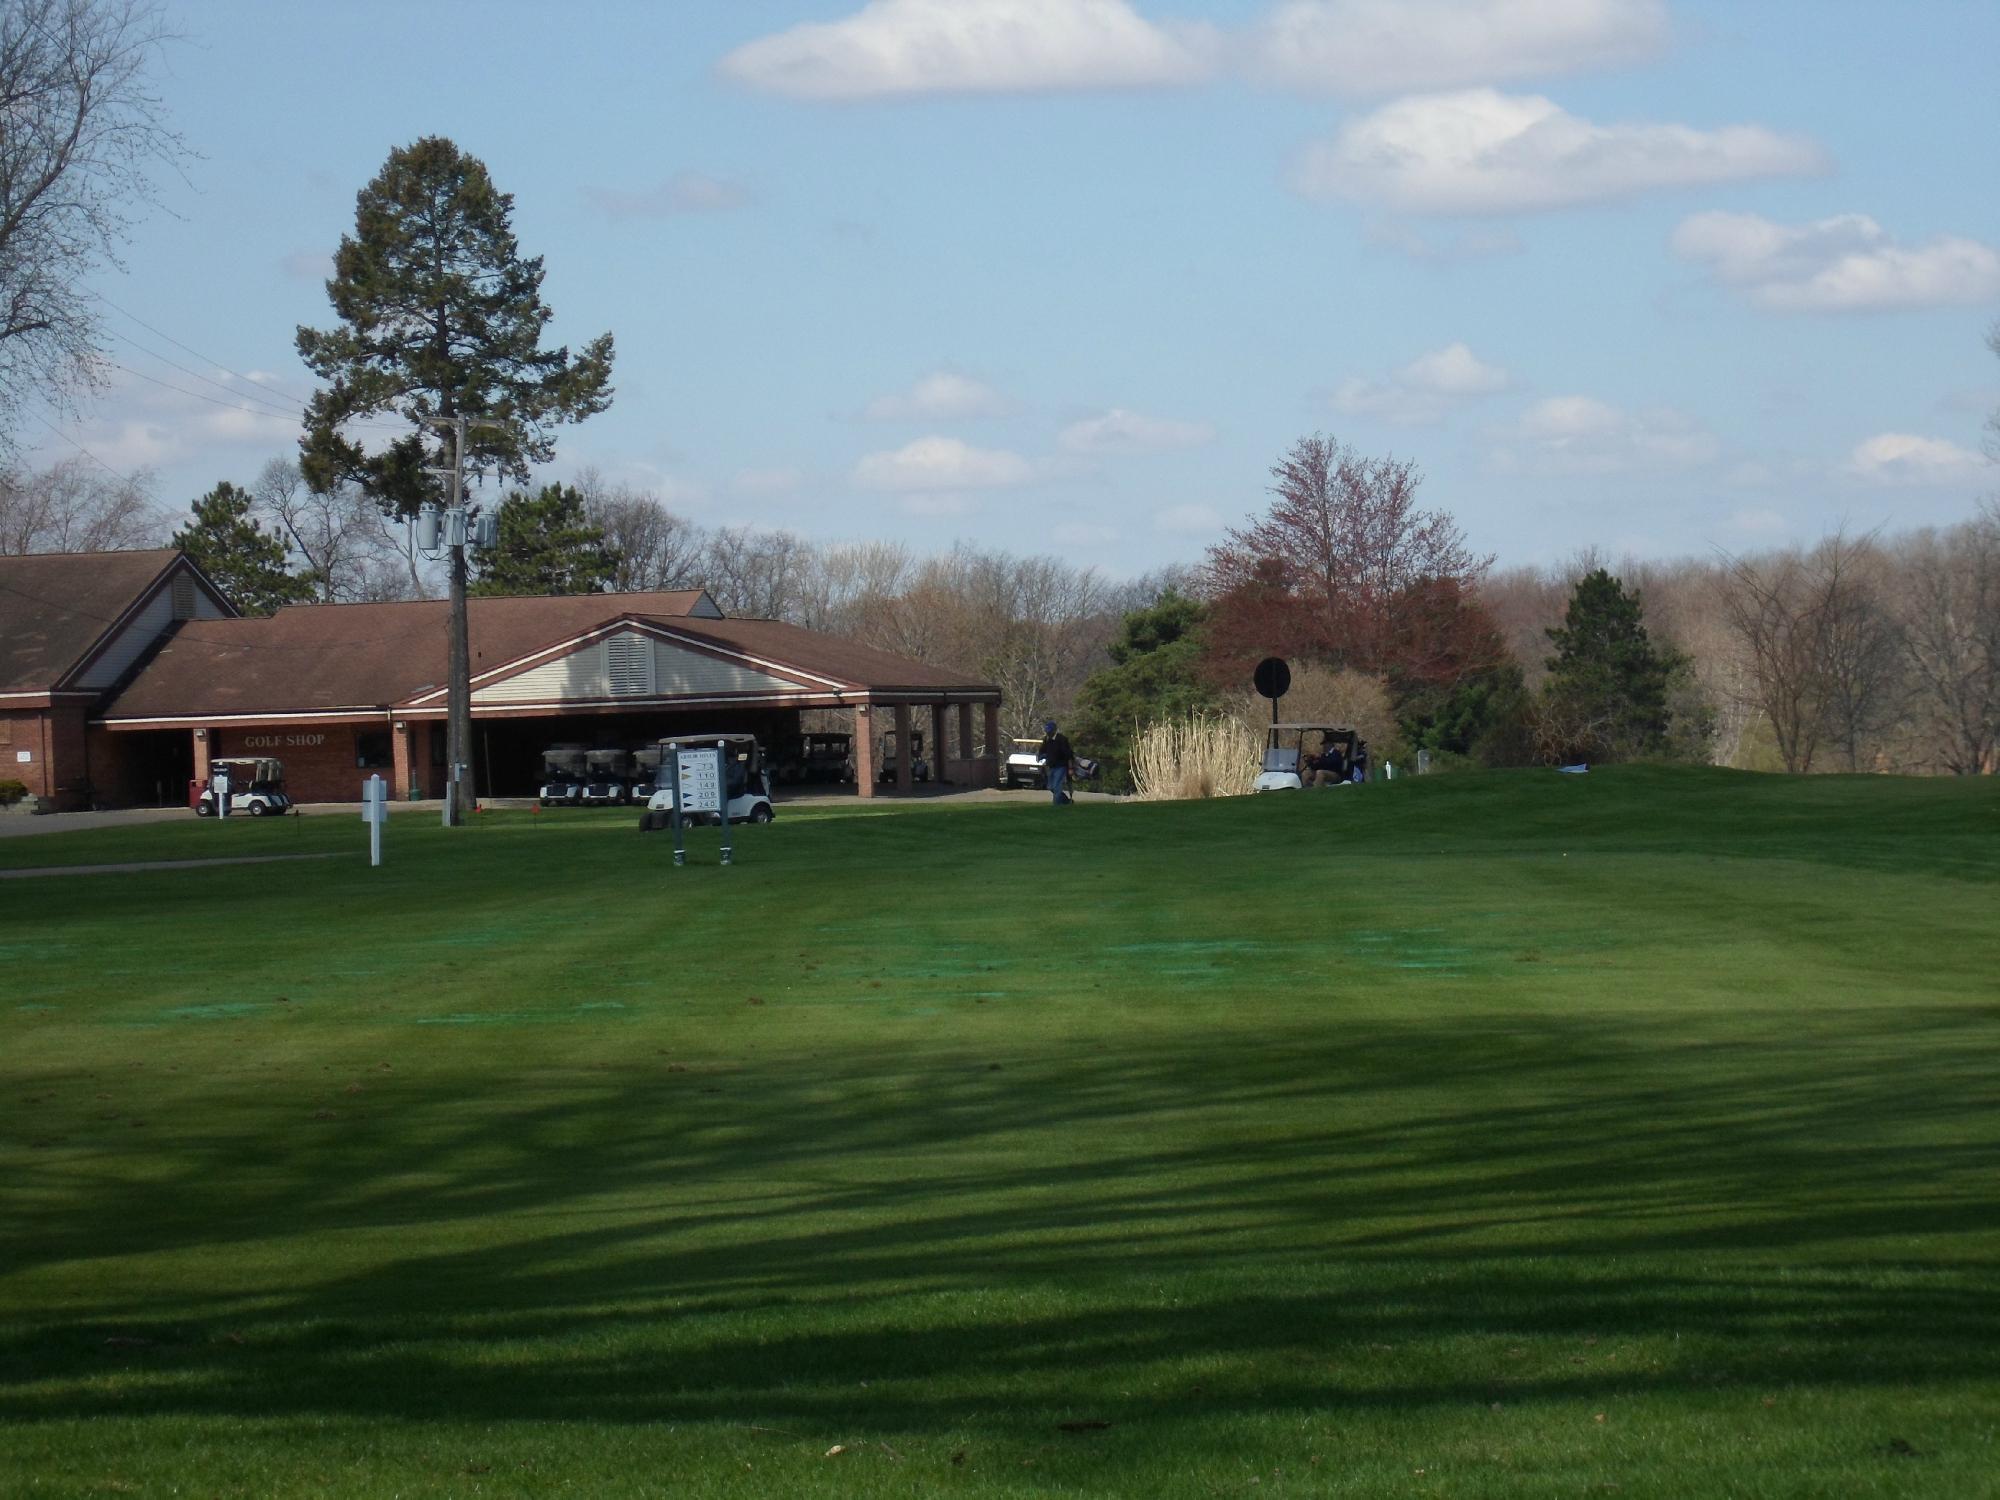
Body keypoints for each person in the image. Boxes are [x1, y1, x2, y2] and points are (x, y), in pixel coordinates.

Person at [1037, 719, 1075, 805]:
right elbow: (1042, 750)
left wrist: (1070, 768)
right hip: (1051, 766)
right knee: (1050, 787)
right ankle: (1066, 801)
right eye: (1047, 732)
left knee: (1057, 786)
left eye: (1049, 732)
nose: (1048, 733)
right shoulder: (1046, 740)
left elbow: (1069, 755)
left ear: (1054, 730)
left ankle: (1056, 805)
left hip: (1061, 766)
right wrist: (1040, 756)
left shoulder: (1062, 739)